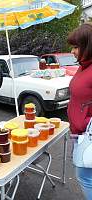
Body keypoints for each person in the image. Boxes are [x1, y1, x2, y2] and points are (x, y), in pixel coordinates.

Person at [67, 22, 92, 200]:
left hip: (89, 137)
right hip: (79, 135)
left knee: (85, 178)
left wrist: (85, 122)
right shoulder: (84, 67)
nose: (72, 51)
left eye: (76, 47)